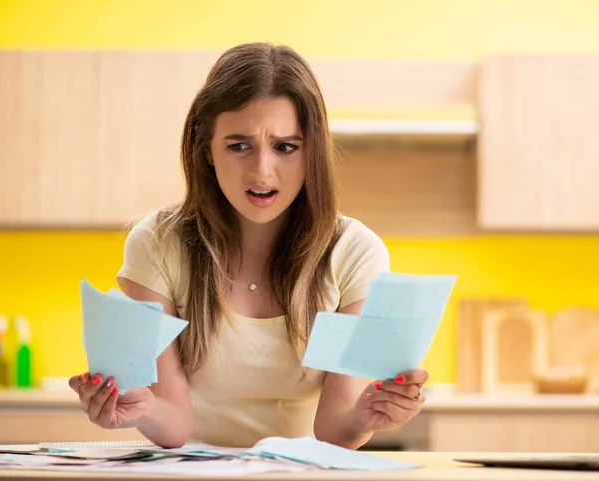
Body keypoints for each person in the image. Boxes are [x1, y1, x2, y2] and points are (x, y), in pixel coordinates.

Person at [69, 42, 428, 450]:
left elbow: (334, 427)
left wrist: (365, 416)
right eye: (239, 146)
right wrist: (140, 409)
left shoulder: (354, 253)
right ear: (205, 149)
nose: (261, 171)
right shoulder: (157, 243)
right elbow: (173, 421)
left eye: (285, 147)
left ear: (311, 153)